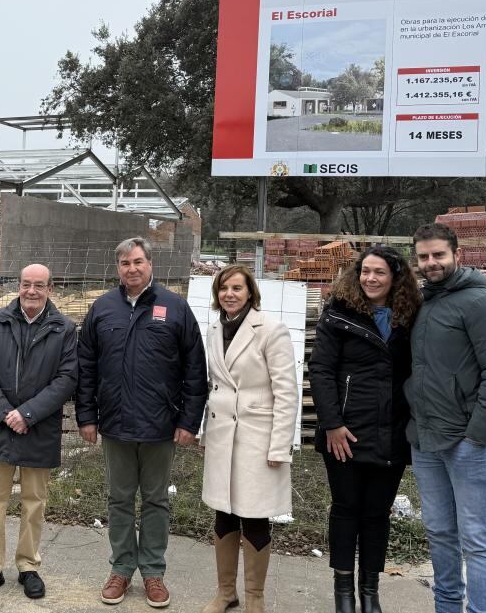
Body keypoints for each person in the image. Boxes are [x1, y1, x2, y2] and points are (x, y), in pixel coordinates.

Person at [75, 237, 208, 608]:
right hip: (115, 424)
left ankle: (152, 572)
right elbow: (85, 367)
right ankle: (120, 568)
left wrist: (188, 421)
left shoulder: (175, 308)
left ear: (150, 264)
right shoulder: (102, 309)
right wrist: (86, 415)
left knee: (155, 501)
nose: (131, 269)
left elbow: (195, 370)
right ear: (117, 268)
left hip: (160, 426)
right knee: (118, 499)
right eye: (124, 264)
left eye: (137, 261)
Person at [407, 223, 486, 613]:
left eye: (438, 255)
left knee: (478, 538)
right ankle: (447, 607)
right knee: (440, 533)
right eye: (423, 257)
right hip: (426, 439)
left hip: (470, 442)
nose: (431, 263)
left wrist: (478, 435)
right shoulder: (427, 301)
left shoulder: (480, 302)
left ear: (458, 254)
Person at [309, 246, 422, 613]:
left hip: (393, 432)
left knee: (376, 513)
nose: (370, 279)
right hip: (346, 433)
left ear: (395, 278)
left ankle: (370, 592)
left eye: (379, 273)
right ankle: (344, 594)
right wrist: (333, 424)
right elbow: (321, 371)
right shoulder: (339, 314)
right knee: (346, 509)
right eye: (365, 272)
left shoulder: (412, 317)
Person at [0, 264, 78, 601]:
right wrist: (5, 413)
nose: (32, 291)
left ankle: (28, 566)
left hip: (38, 427)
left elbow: (67, 378)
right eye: (26, 284)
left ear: (51, 288)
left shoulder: (64, 328)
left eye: (39, 285)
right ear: (19, 286)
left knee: (34, 502)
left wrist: (28, 413)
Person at [199, 264, 298, 613]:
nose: (229, 294)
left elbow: (287, 392)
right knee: (224, 515)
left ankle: (255, 596)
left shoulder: (271, 329)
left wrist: (279, 446)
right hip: (223, 435)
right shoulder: (214, 329)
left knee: (255, 517)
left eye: (237, 288)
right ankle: (226, 592)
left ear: (250, 292)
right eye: (224, 288)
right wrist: (205, 435)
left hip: (258, 438)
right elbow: (214, 387)